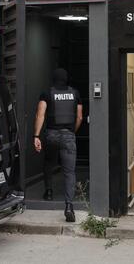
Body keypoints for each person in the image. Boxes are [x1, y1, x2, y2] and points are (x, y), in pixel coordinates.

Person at [33, 68, 83, 222]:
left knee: (49, 162)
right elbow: (80, 117)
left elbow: (40, 115)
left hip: (51, 136)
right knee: (69, 172)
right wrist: (71, 132)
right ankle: (69, 206)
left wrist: (36, 135)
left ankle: (48, 191)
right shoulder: (75, 93)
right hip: (68, 135)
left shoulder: (46, 93)